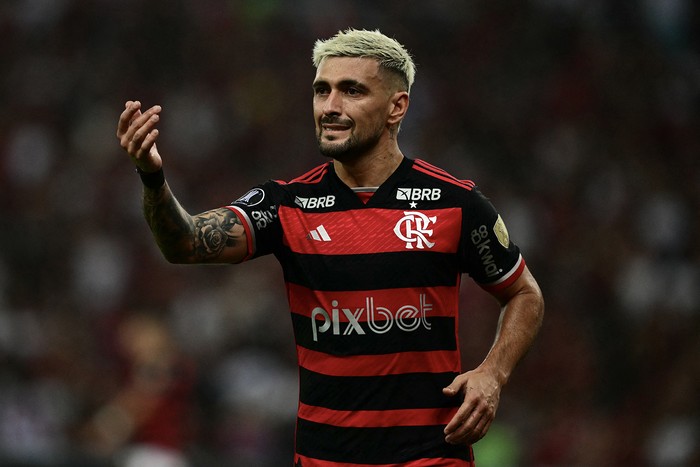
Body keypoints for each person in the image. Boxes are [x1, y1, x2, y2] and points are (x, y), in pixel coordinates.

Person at [117, 28, 544, 467]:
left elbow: (524, 292)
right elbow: (185, 243)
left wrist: (493, 373)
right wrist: (152, 179)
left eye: (351, 91)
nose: (330, 106)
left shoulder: (455, 203)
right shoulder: (287, 204)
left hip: (429, 455)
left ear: (397, 107)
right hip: (324, 458)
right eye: (322, 91)